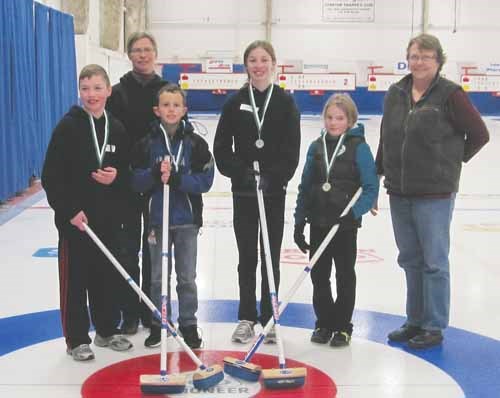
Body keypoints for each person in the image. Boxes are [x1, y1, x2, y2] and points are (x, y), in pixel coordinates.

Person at [376, 33, 489, 349]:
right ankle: (414, 321)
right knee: (410, 259)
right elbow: (386, 137)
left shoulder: (450, 94)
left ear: (438, 61)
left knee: (434, 262)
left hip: (435, 195)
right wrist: (376, 176)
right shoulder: (395, 93)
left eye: (426, 56)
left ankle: (434, 325)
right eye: (414, 56)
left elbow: (479, 133)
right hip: (399, 192)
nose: (419, 62)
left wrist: (451, 160)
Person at [42, 64, 133, 361]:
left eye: (97, 88)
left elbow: (127, 172)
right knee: (76, 280)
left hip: (107, 220)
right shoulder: (68, 127)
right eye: (85, 88)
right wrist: (69, 211)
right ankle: (77, 339)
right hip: (76, 222)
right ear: (79, 92)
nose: (91, 94)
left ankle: (106, 329)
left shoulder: (116, 128)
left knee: (105, 277)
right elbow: (51, 176)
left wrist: (116, 177)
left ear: (108, 90)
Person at [214, 40, 301, 344]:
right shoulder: (235, 102)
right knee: (247, 256)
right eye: (252, 60)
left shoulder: (285, 102)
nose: (258, 65)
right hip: (244, 194)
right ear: (246, 65)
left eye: (264, 59)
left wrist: (274, 177)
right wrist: (241, 172)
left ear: (273, 64)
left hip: (273, 193)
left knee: (270, 255)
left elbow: (292, 151)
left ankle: (270, 317)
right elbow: (221, 149)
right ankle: (247, 317)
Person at [130, 84, 214, 349]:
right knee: (157, 277)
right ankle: (159, 322)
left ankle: (188, 323)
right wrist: (154, 175)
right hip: (158, 220)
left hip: (187, 221)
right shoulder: (146, 143)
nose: (171, 110)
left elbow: (206, 180)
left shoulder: (196, 143)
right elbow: (134, 180)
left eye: (176, 105)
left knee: (186, 276)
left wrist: (178, 179)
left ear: (184, 109)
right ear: (157, 110)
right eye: (165, 105)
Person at [293, 94, 378, 347]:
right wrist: (299, 222)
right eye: (329, 117)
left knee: (344, 275)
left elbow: (370, 187)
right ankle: (324, 322)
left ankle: (342, 326)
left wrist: (353, 213)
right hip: (318, 223)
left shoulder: (359, 147)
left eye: (339, 118)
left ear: (350, 120)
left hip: (344, 226)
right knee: (319, 275)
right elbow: (305, 187)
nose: (333, 122)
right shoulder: (316, 147)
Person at [106, 32, 170, 334]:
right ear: (129, 55)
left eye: (147, 50)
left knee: (154, 248)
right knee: (128, 248)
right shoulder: (117, 93)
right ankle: (129, 310)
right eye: (136, 50)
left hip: (159, 182)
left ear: (155, 53)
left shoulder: (166, 91)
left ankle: (151, 308)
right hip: (127, 183)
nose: (142, 55)